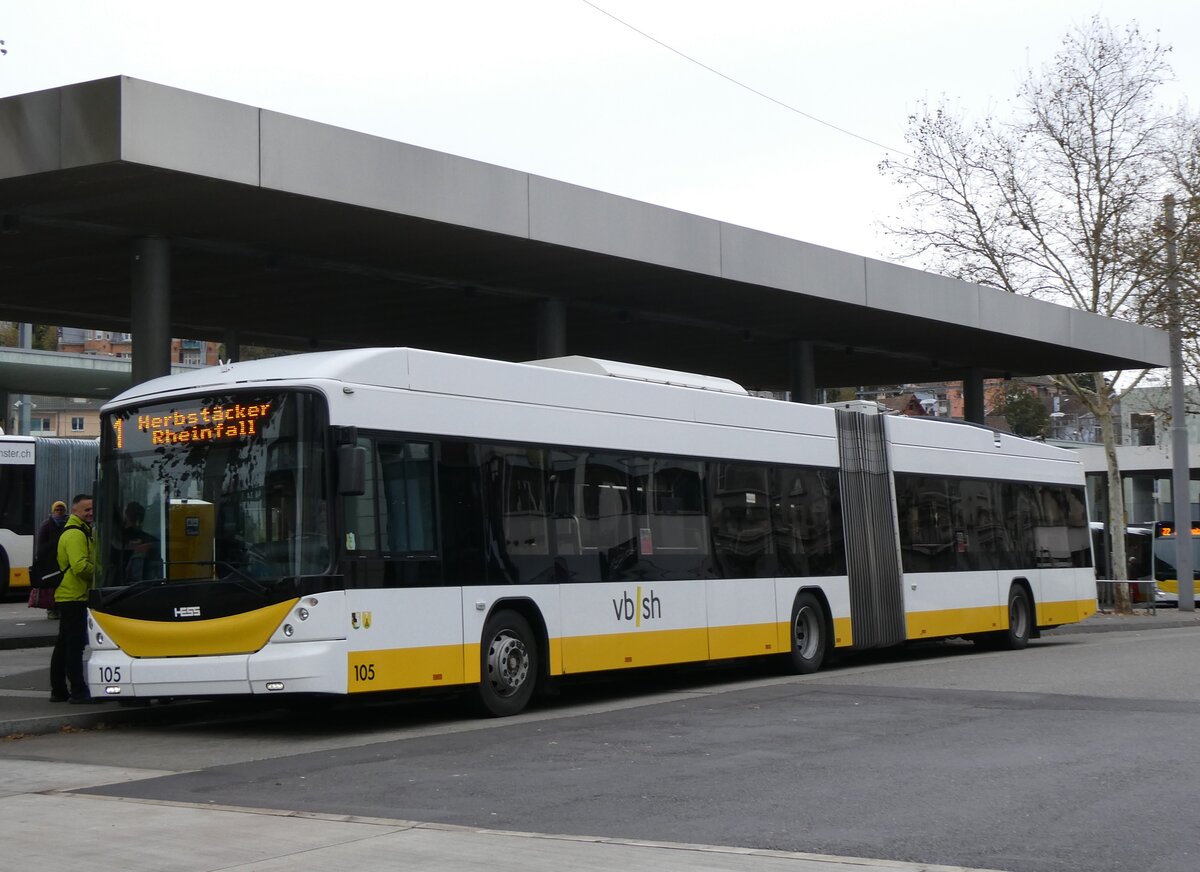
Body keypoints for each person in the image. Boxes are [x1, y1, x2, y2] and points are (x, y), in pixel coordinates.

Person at [49, 493, 98, 704]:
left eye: (92, 509)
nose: (90, 513)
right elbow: (80, 567)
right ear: (75, 510)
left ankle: (58, 690)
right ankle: (78, 690)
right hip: (74, 596)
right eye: (86, 509)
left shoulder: (78, 530)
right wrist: (101, 572)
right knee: (74, 646)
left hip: (67, 594)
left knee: (64, 645)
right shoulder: (76, 534)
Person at [27, 500, 68, 619]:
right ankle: (51, 609)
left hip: (62, 559)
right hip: (50, 561)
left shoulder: (67, 523)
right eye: (57, 510)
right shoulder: (47, 525)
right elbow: (41, 545)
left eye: (62, 510)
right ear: (53, 511)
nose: (59, 512)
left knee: (61, 585)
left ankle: (59, 609)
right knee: (51, 586)